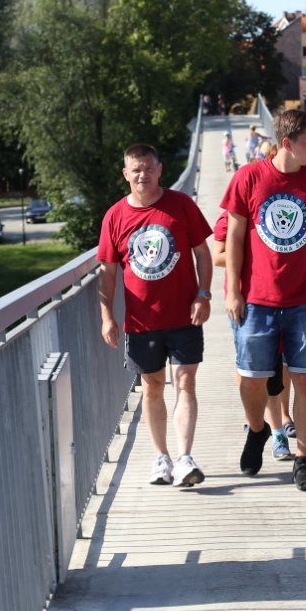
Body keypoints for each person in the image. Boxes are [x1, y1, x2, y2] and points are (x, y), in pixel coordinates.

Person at [222, 109, 306, 491]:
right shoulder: (249, 178)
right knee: (252, 382)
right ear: (288, 143)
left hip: (304, 300)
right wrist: (231, 289)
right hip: (257, 300)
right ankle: (258, 429)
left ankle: (303, 458)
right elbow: (235, 238)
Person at [99, 144, 214, 487]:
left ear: (160, 169)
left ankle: (184, 457)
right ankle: (161, 457)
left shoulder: (181, 205)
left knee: (186, 382)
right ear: (125, 174)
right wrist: (107, 316)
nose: (142, 175)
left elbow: (203, 256)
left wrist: (203, 294)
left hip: (183, 315)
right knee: (152, 388)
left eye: (148, 168)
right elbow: (106, 273)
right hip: (141, 321)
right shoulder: (115, 216)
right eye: (136, 170)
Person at [212, 210, 306, 463]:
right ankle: (275, 433)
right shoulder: (233, 214)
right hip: (250, 302)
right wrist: (256, 256)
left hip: (291, 300)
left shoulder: (282, 207)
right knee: (262, 374)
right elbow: (217, 255)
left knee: (294, 371)